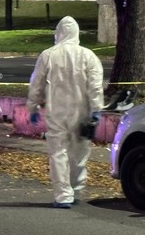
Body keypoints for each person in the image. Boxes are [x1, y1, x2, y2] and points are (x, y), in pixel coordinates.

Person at [26, 16, 104, 209]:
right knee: (80, 153)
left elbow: (36, 84)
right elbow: (95, 86)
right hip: (82, 111)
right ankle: (76, 190)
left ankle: (63, 195)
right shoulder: (88, 56)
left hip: (57, 111)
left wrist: (33, 107)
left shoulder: (48, 55)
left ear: (58, 33)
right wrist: (96, 109)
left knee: (58, 154)